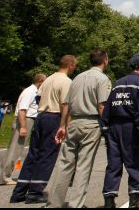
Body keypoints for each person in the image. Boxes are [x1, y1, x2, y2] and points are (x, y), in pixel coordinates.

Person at [46, 49, 112, 208]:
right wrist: (107, 128)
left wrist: (63, 125)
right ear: (105, 61)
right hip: (91, 123)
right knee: (84, 166)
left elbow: (66, 104)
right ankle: (76, 204)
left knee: (64, 164)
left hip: (73, 122)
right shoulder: (103, 79)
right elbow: (102, 106)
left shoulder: (77, 78)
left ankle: (53, 203)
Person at [10, 55, 78, 204]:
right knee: (47, 155)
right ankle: (35, 192)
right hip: (54, 117)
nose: (75, 68)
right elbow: (65, 105)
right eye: (75, 65)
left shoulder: (48, 79)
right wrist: (63, 125)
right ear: (70, 65)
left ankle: (19, 191)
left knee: (33, 154)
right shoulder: (66, 81)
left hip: (40, 116)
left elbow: (38, 98)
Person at [101, 54, 139, 209]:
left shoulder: (118, 83)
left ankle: (109, 202)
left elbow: (108, 107)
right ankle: (134, 203)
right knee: (135, 164)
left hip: (114, 127)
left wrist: (105, 130)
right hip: (131, 128)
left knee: (113, 165)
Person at [1, 74, 46, 185]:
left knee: (17, 149)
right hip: (25, 119)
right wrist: (23, 126)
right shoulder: (29, 92)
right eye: (44, 82)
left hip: (30, 119)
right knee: (15, 149)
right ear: (40, 81)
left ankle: (4, 175)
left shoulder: (35, 92)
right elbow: (22, 110)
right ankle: (4, 177)